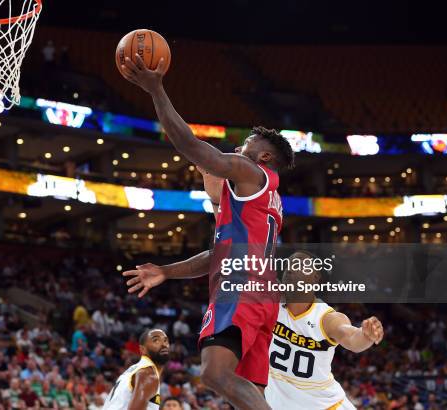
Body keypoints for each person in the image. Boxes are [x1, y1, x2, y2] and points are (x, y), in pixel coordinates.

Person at [120, 55, 294, 410]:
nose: (237, 150)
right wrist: (167, 271)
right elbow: (217, 254)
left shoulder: (249, 172)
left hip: (241, 286)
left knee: (214, 374)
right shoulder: (264, 202)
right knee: (248, 392)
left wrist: (156, 89)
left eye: (245, 145)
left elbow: (189, 144)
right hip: (263, 295)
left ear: (262, 158)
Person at [264, 251, 384, 410]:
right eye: (289, 265)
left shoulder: (326, 318)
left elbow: (351, 337)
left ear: (315, 278)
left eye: (300, 265)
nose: (290, 269)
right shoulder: (270, 303)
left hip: (327, 406)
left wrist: (366, 336)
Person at [103, 329, 169, 410]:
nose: (164, 344)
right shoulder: (147, 373)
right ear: (142, 349)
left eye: (165, 340)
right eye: (156, 340)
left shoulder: (133, 371)